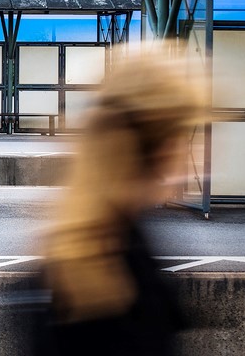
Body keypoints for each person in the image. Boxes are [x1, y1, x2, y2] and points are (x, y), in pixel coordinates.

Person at [35, 42, 207, 356]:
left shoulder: (84, 241)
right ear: (166, 147)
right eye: (189, 134)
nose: (195, 151)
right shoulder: (121, 260)